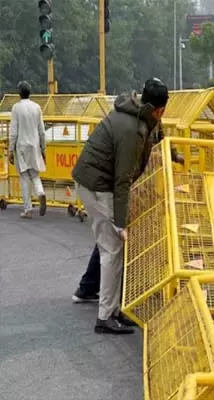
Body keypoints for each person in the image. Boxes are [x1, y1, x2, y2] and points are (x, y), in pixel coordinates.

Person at [72, 78, 169, 334]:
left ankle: (113, 310)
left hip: (96, 181)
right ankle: (105, 317)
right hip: (97, 185)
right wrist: (120, 222)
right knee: (112, 251)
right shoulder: (132, 129)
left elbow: (151, 144)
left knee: (113, 250)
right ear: (159, 109)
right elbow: (122, 179)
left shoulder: (137, 117)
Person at [72, 121, 184, 304]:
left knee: (110, 240)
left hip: (126, 186)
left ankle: (90, 288)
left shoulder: (147, 122)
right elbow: (125, 168)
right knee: (114, 242)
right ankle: (115, 299)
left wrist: (174, 155)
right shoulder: (130, 128)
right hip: (120, 188)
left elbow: (161, 141)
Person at [8, 81, 47, 219]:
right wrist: (43, 148)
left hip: (21, 146)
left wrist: (10, 151)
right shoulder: (37, 107)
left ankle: (28, 209)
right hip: (34, 145)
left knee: (24, 177)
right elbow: (42, 131)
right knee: (35, 175)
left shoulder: (16, 108)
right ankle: (41, 192)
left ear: (19, 93)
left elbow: (13, 132)